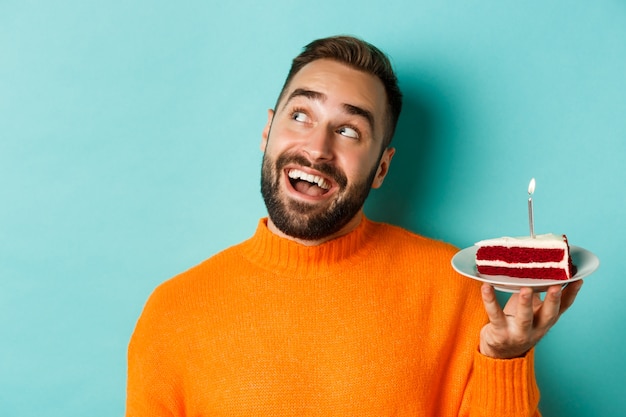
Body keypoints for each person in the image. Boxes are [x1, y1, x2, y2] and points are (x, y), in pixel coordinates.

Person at [126, 35, 582, 416]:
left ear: (382, 168)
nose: (317, 148)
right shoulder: (172, 314)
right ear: (268, 132)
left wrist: (504, 361)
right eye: (301, 115)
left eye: (349, 131)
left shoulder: (456, 286)